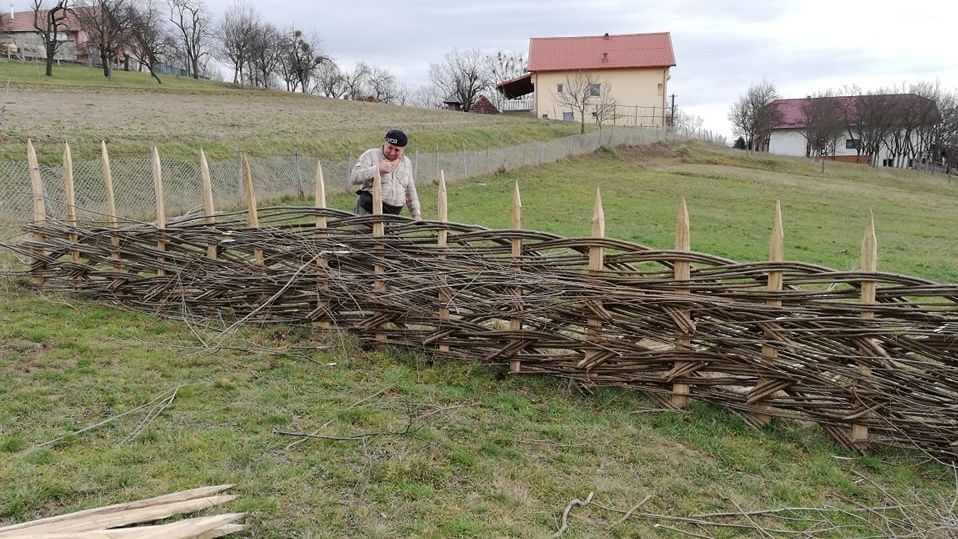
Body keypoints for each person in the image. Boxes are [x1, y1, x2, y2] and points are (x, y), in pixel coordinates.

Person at [349, 129, 422, 221]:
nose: (392, 152)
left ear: (403, 150)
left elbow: (410, 190)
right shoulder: (370, 155)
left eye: (397, 150)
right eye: (390, 148)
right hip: (367, 213)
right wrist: (378, 169)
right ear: (384, 143)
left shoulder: (406, 163)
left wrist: (416, 214)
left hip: (392, 217)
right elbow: (354, 177)